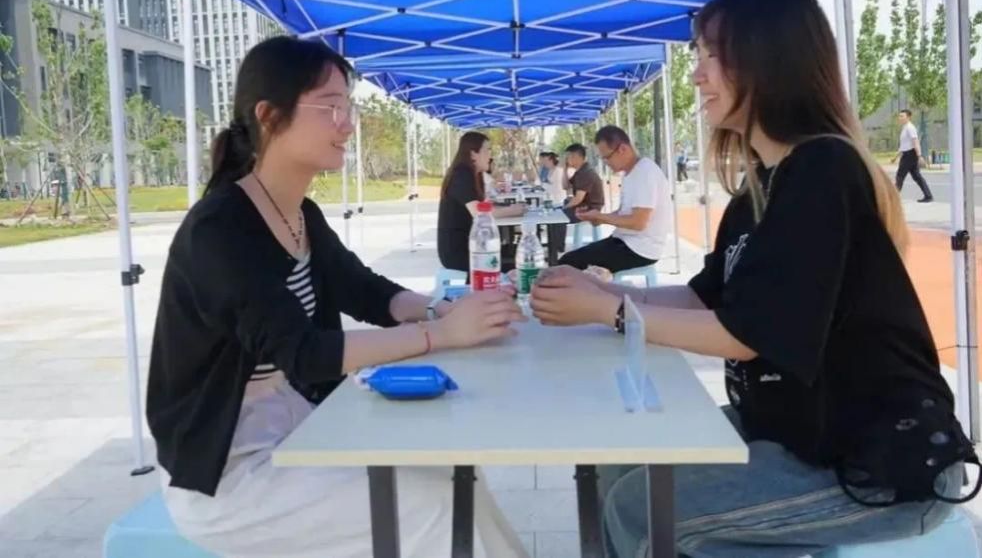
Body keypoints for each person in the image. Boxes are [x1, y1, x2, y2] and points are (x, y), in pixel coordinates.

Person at [530, 0, 974, 557]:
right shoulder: (761, 186)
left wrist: (608, 310)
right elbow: (705, 298)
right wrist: (596, 290)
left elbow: (748, 335)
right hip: (796, 434)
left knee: (641, 508)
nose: (697, 76)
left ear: (770, 61)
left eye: (712, 56)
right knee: (621, 456)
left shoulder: (823, 170)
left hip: (882, 464)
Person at [147, 36, 529, 558]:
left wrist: (443, 309)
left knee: (456, 474)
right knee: (433, 506)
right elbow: (305, 352)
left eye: (348, 108)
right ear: (269, 116)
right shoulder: (220, 229)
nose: (347, 124)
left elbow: (366, 290)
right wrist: (441, 334)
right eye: (330, 107)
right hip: (225, 471)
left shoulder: (300, 214)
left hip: (295, 424)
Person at [557, 126, 671, 274]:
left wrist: (601, 216)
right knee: (568, 261)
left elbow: (638, 222)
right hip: (625, 241)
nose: (605, 162)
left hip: (640, 249)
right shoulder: (631, 173)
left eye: (607, 157)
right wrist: (598, 218)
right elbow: (624, 213)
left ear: (622, 149)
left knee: (568, 264)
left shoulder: (644, 172)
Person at [438, 132, 525, 273]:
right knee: (519, 264)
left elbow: (484, 206)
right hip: (459, 253)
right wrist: (513, 210)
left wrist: (507, 207)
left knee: (517, 253)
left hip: (474, 245)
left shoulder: (474, 175)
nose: (490, 156)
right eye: (488, 150)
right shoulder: (461, 175)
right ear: (473, 154)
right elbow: (479, 212)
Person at [891, 109, 933, 202]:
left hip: (910, 155)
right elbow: (904, 146)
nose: (900, 118)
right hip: (908, 154)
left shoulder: (910, 128)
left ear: (909, 117)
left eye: (902, 116)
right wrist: (896, 157)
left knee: (900, 176)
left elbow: (915, 141)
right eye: (899, 116)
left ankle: (894, 199)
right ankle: (928, 196)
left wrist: (919, 156)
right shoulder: (905, 128)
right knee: (917, 176)